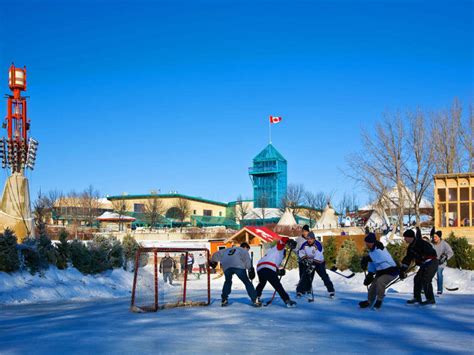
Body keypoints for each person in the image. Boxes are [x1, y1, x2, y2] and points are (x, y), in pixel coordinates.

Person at [210, 242, 261, 307]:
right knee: (246, 282)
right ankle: (255, 299)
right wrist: (250, 269)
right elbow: (247, 261)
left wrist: (213, 261)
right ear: (245, 247)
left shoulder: (228, 249)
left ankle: (224, 298)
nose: (248, 251)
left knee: (228, 281)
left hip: (226, 265)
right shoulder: (243, 251)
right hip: (238, 265)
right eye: (248, 249)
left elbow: (216, 254)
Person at [359, 233, 399, 309]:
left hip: (391, 271)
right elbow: (373, 264)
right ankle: (369, 301)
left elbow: (379, 259)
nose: (366, 244)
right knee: (373, 287)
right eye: (366, 243)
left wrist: (367, 259)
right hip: (381, 272)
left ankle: (379, 301)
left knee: (380, 281)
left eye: (368, 243)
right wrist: (370, 275)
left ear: (372, 242)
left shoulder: (380, 249)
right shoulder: (372, 252)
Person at [400, 229, 439, 306]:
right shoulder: (410, 248)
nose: (404, 239)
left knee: (426, 279)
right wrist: (402, 270)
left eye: (405, 237)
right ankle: (417, 297)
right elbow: (407, 259)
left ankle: (430, 299)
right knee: (417, 279)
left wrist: (422, 257)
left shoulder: (421, 243)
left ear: (410, 237)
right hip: (424, 264)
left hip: (432, 262)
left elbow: (431, 251)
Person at [255, 237, 297, 307]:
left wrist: (279, 272)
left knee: (262, 283)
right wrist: (288, 241)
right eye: (284, 256)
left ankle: (256, 297)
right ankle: (287, 300)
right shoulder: (279, 249)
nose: (283, 258)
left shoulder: (271, 252)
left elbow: (273, 269)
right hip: (268, 267)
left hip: (260, 267)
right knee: (277, 285)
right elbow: (282, 241)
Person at [296, 232, 335, 299]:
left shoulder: (318, 245)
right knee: (304, 276)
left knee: (324, 276)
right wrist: (305, 259)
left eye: (311, 239)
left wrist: (313, 265)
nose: (309, 240)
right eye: (308, 239)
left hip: (319, 263)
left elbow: (318, 255)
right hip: (309, 262)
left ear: (314, 239)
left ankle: (331, 291)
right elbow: (301, 252)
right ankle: (300, 291)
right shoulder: (304, 244)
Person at [431, 230, 454, 295]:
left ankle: (439, 290)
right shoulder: (432, 244)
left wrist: (445, 257)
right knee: (428, 273)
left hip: (441, 263)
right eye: (433, 237)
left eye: (435, 237)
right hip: (433, 262)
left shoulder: (444, 244)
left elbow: (451, 252)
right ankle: (423, 288)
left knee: (439, 272)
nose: (434, 238)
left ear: (439, 237)